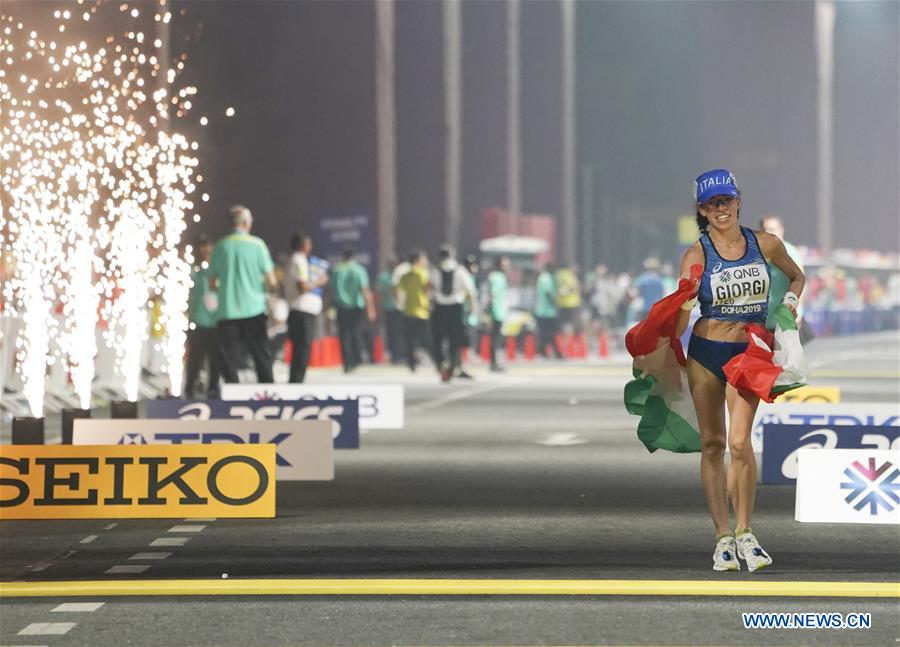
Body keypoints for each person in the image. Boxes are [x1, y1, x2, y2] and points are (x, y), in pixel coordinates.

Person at [678, 169, 804, 572]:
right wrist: (664, 333)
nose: (721, 209)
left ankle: (746, 532)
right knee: (713, 445)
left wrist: (789, 303)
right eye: (713, 204)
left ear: (738, 201)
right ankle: (722, 538)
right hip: (706, 351)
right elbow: (681, 309)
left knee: (740, 443)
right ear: (702, 209)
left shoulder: (765, 243)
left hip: (748, 352)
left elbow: (798, 275)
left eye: (727, 201)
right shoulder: (696, 254)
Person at [209, 205, 278, 384]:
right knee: (260, 353)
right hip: (254, 309)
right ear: (246, 223)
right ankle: (268, 393)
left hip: (227, 310)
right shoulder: (258, 245)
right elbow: (272, 281)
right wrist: (265, 291)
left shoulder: (220, 247)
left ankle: (232, 392)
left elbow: (212, 283)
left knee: (228, 356)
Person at [759, 214, 812, 342]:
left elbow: (799, 280)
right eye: (765, 230)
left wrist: (799, 309)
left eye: (772, 229)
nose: (769, 233)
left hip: (784, 318)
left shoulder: (789, 252)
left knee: (786, 358)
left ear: (781, 230)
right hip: (763, 319)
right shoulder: (757, 252)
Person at [284, 231, 326, 383]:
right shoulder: (299, 260)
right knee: (302, 350)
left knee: (300, 349)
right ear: (304, 245)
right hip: (302, 312)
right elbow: (302, 286)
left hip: (299, 311)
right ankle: (296, 382)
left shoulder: (296, 260)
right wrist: (319, 281)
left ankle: (296, 380)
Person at [430, 244, 475, 382]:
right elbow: (469, 290)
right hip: (456, 307)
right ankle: (453, 366)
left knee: (438, 338)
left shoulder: (434, 270)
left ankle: (440, 363)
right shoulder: (460, 270)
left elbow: (429, 288)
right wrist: (472, 307)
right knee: (455, 340)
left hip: (439, 308)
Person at [184, 234, 220, 398]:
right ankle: (189, 388)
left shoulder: (217, 270)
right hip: (197, 322)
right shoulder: (191, 271)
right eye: (201, 246)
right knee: (195, 359)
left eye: (208, 245)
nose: (205, 249)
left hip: (215, 322)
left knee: (215, 359)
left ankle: (213, 388)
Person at [331, 249, 375, 373]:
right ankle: (356, 360)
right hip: (357, 307)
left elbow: (331, 290)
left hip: (341, 306)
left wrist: (326, 308)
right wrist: (371, 309)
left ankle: (346, 362)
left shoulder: (337, 270)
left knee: (343, 335)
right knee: (355, 332)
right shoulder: (359, 270)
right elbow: (365, 290)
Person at [396, 250, 432, 372]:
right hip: (422, 312)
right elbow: (428, 290)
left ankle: (411, 364)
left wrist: (400, 304)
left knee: (409, 341)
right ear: (418, 260)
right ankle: (436, 361)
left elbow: (397, 292)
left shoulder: (404, 275)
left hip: (408, 311)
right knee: (427, 339)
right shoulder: (423, 273)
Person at [377, 257, 404, 364]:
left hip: (400, 307)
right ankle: (392, 354)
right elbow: (380, 292)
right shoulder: (384, 277)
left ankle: (399, 354)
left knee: (399, 332)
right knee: (390, 332)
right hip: (388, 307)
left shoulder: (400, 275)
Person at [485, 256, 510, 372]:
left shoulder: (501, 277)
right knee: (496, 339)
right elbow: (492, 296)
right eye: (505, 265)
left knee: (497, 339)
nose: (507, 267)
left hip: (501, 312)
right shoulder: (496, 277)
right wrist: (491, 313)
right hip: (496, 312)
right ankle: (494, 363)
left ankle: (495, 362)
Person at [534, 262, 563, 358]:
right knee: (552, 332)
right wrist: (554, 304)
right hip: (546, 311)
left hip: (543, 310)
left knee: (545, 333)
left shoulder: (543, 277)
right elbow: (548, 293)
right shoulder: (546, 278)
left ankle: (544, 351)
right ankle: (554, 352)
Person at [555, 261, 581, 335]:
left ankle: (563, 339)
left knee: (562, 324)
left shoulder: (557, 275)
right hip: (571, 303)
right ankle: (569, 340)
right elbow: (571, 288)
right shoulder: (568, 275)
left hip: (561, 303)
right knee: (573, 323)